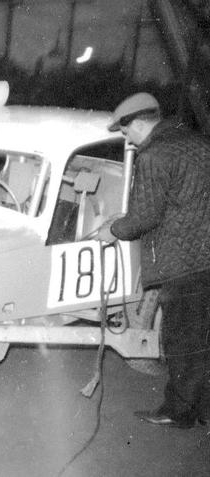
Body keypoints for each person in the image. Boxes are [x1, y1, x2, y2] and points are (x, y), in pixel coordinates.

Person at [96, 92, 210, 428]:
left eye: (125, 130)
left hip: (183, 261)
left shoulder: (155, 154)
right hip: (205, 255)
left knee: (181, 341)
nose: (126, 138)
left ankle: (179, 412)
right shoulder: (198, 143)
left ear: (140, 123)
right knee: (202, 337)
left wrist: (114, 229)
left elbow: (144, 217)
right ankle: (202, 409)